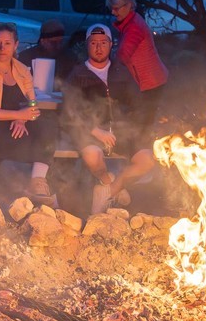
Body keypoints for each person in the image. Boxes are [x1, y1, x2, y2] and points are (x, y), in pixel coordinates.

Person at [62, 25, 157, 215]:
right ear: (87, 45)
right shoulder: (78, 74)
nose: (99, 47)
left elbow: (137, 104)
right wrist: (95, 130)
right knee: (92, 155)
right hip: (90, 132)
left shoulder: (121, 72)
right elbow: (69, 110)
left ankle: (111, 189)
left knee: (147, 160)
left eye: (103, 43)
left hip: (122, 131)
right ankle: (107, 181)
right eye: (94, 43)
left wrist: (133, 127)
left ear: (111, 44)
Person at [0, 23, 58, 204]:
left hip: (18, 123)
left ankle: (37, 182)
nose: (2, 48)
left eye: (7, 43)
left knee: (50, 126)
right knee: (35, 147)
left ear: (16, 45)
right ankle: (15, 192)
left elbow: (32, 101)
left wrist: (23, 119)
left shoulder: (21, 69)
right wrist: (18, 115)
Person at [106, 0, 168, 141]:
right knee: (141, 119)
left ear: (129, 5)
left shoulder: (134, 27)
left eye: (116, 8)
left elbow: (123, 55)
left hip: (150, 81)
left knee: (143, 122)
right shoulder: (130, 21)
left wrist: (102, 67)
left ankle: (140, 152)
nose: (113, 12)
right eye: (111, 8)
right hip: (148, 79)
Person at [17, 18, 79, 90]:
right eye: (53, 43)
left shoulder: (70, 57)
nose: (58, 46)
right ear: (42, 41)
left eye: (60, 42)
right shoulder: (26, 57)